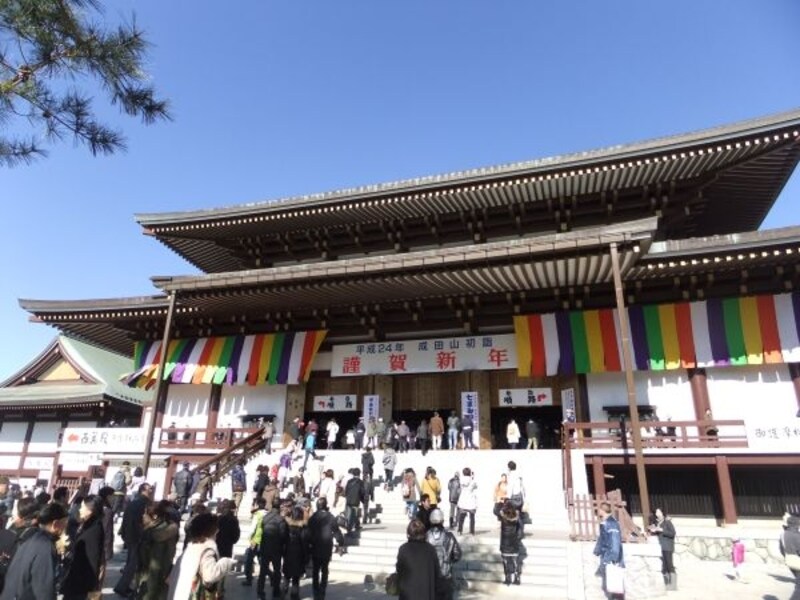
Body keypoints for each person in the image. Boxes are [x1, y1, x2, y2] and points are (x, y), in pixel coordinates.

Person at [0, 502, 68, 600]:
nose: (66, 526)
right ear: (55, 524)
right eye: (65, 522)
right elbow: (44, 590)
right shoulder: (45, 547)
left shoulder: (31, 537)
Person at [167, 513, 235, 600]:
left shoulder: (190, 547)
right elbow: (210, 575)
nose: (218, 530)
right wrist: (225, 562)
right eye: (216, 528)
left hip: (179, 593)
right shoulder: (207, 550)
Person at [59, 495, 106, 600]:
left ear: (91, 509)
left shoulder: (95, 530)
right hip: (75, 575)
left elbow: (94, 559)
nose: (80, 509)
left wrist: (91, 587)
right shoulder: (87, 524)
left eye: (82, 507)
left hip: (82, 582)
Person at [114, 482, 153, 597]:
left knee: (131, 562)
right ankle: (122, 587)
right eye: (149, 489)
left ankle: (125, 586)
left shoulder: (134, 502)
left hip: (130, 535)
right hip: (137, 536)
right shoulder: (143, 503)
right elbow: (140, 522)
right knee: (133, 563)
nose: (151, 490)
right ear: (143, 490)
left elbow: (127, 520)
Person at [135, 499, 179, 600]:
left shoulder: (157, 532)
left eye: (145, 514)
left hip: (154, 576)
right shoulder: (152, 530)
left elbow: (157, 562)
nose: (142, 516)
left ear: (154, 516)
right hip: (151, 574)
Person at [308, 497, 344, 600]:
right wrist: (340, 542)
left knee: (315, 570)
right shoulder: (331, 517)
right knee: (324, 569)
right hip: (326, 547)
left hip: (315, 546)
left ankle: (316, 591)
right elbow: (336, 531)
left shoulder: (313, 517)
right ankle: (322, 590)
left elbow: (308, 532)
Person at [396, 519, 441, 600]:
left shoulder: (404, 549)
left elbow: (399, 569)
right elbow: (437, 572)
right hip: (426, 592)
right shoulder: (430, 549)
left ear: (409, 533)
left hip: (408, 592)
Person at [426, 508, 461, 600]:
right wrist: (449, 560)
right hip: (446, 576)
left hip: (430, 577)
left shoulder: (425, 536)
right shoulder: (449, 536)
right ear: (442, 520)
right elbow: (457, 555)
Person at [257, 497, 289, 599]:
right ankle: (276, 590)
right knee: (276, 570)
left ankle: (260, 590)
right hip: (276, 548)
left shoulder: (265, 517)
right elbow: (283, 536)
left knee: (263, 570)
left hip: (265, 546)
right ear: (279, 506)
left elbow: (261, 531)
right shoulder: (281, 520)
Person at [593, 501, 624, 597]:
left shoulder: (611, 523)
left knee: (615, 586)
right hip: (607, 556)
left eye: (599, 509)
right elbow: (602, 539)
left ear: (602, 510)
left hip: (612, 559)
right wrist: (597, 551)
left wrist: (610, 559)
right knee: (611, 586)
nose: (597, 511)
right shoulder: (605, 523)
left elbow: (614, 543)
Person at [282, 505, 310, 600]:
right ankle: (294, 595)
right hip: (299, 554)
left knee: (286, 576)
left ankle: (283, 592)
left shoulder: (286, 525)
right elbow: (305, 543)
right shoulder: (303, 528)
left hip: (288, 553)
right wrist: (306, 556)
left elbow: (283, 539)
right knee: (295, 578)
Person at [242, 497, 267, 587]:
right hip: (264, 540)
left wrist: (250, 539)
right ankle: (272, 576)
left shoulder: (257, 515)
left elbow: (253, 529)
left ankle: (249, 579)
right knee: (262, 561)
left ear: (257, 505)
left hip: (255, 541)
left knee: (249, 559)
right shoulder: (267, 514)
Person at [648, 507, 676, 589]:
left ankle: (673, 585)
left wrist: (662, 530)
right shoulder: (657, 523)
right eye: (656, 512)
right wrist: (653, 531)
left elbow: (672, 533)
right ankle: (667, 584)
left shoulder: (667, 522)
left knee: (669, 564)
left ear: (662, 513)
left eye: (659, 512)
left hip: (668, 546)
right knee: (664, 566)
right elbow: (658, 533)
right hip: (660, 547)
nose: (657, 514)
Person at [498, 502, 523, 585]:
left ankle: (507, 578)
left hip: (505, 544)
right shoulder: (517, 520)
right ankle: (517, 578)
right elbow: (520, 530)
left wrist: (501, 508)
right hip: (514, 543)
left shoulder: (503, 519)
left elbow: (495, 510)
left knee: (505, 561)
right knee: (515, 561)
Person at [344, 468, 366, 533]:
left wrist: (347, 497)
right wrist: (363, 500)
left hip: (349, 499)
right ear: (359, 474)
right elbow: (362, 492)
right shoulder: (360, 482)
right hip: (356, 500)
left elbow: (346, 490)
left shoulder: (349, 481)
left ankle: (352, 525)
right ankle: (351, 526)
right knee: (354, 514)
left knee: (349, 514)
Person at [456, 467, 477, 536]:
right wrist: (472, 478)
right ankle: (472, 531)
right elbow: (475, 486)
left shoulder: (461, 480)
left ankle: (459, 530)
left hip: (463, 499)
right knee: (472, 517)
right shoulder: (472, 481)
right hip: (470, 499)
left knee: (461, 516)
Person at [781, 514, 800, 589]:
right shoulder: (797, 535)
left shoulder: (782, 534)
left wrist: (786, 556)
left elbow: (781, 548)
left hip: (789, 560)